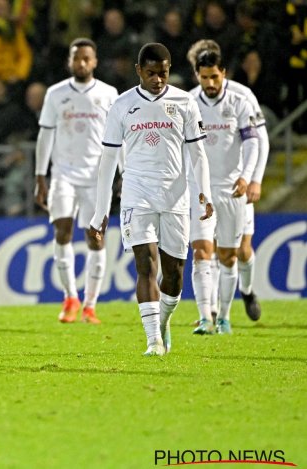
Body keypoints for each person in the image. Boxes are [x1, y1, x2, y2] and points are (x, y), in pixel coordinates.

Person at [88, 43, 213, 356]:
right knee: (145, 266)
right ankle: (153, 341)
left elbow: (198, 153)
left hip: (175, 195)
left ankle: (164, 321)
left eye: (164, 73)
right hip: (136, 193)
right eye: (151, 73)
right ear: (139, 71)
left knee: (173, 275)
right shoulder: (121, 105)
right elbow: (107, 160)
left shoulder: (185, 101)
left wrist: (205, 192)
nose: (158, 79)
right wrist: (101, 210)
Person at [34, 38, 118, 325]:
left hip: (96, 177)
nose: (81, 63)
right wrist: (40, 175)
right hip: (64, 174)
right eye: (76, 58)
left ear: (94, 62)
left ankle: (91, 305)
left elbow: (118, 138)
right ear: (69, 61)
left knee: (96, 237)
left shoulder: (109, 94)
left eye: (86, 58)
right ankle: (71, 297)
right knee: (62, 231)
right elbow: (45, 135)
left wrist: (120, 173)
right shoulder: (56, 94)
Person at [186, 39, 269, 323]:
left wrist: (254, 178)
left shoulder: (242, 97)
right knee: (204, 250)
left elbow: (260, 140)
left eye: (213, 74)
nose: (208, 81)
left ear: (224, 71)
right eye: (201, 74)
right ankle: (210, 315)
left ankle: (246, 291)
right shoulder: (190, 101)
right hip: (204, 191)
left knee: (240, 252)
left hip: (236, 186)